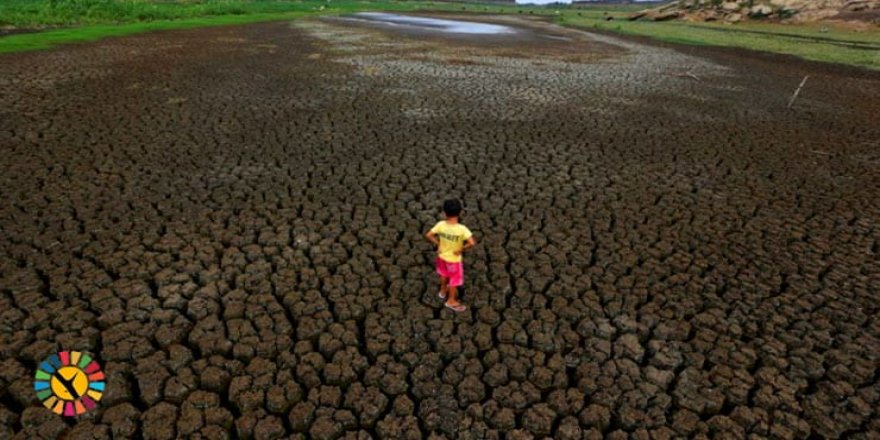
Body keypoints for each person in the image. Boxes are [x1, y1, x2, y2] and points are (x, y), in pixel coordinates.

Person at [425, 199, 476, 312]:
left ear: (444, 212)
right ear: (460, 212)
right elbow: (472, 243)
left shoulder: (441, 225)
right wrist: (461, 249)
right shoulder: (462, 229)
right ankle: (451, 301)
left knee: (443, 274)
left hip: (442, 256)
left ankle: (443, 292)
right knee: (454, 280)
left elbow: (428, 235)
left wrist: (438, 243)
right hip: (454, 260)